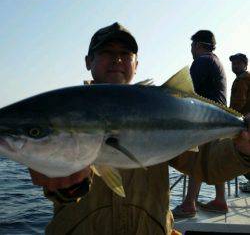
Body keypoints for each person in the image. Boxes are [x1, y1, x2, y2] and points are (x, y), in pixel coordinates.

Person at [29, 23, 250, 235]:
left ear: (136, 64)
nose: (117, 59)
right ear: (88, 61)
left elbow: (208, 164)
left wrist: (242, 151)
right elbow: (61, 192)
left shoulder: (159, 108)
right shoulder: (67, 111)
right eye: (106, 51)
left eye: (126, 54)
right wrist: (64, 183)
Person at [172, 30, 228, 218]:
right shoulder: (216, 61)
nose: (191, 50)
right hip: (219, 118)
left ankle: (189, 204)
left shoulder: (202, 61)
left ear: (197, 45)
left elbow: (186, 91)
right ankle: (220, 200)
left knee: (197, 157)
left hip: (205, 118)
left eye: (191, 46)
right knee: (212, 158)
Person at [230, 53, 250, 193]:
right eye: (233, 63)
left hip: (243, 124)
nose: (234, 65)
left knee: (240, 156)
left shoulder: (242, 80)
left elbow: (239, 102)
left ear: (245, 64)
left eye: (238, 63)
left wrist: (228, 117)